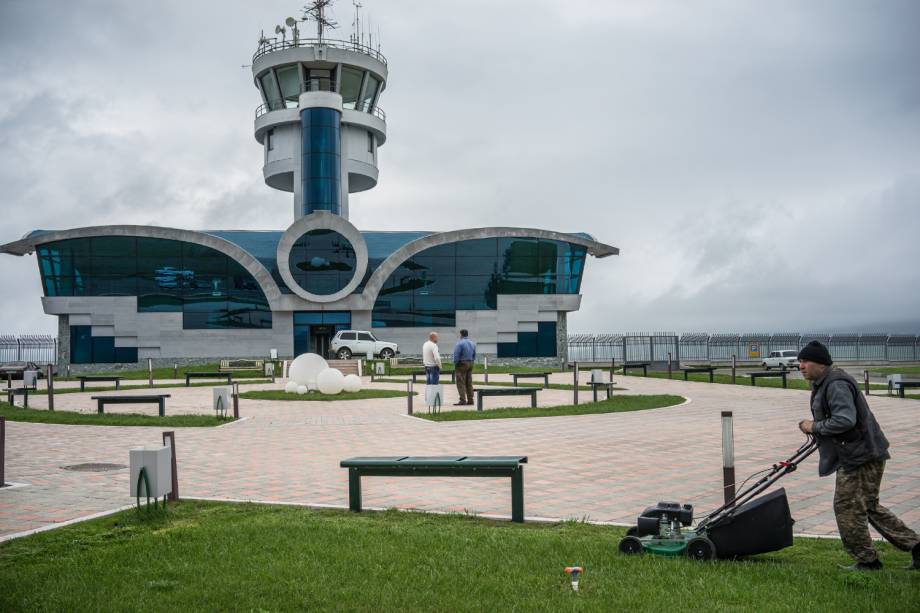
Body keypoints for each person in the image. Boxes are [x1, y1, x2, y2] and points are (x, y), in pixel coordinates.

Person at [796, 340, 919, 571]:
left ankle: (867, 561)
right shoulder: (827, 382)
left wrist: (814, 427)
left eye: (805, 361)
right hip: (864, 453)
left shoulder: (835, 384)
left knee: (847, 507)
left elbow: (845, 420)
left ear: (820, 363)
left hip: (860, 456)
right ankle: (916, 548)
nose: (801, 366)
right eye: (799, 362)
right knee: (869, 507)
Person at [452, 329, 476, 405]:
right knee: (469, 382)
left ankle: (462, 400)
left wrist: (456, 363)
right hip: (470, 363)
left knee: (460, 382)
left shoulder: (459, 343)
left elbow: (456, 355)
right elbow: (474, 354)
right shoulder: (472, 343)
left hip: (462, 363)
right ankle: (470, 400)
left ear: (461, 334)